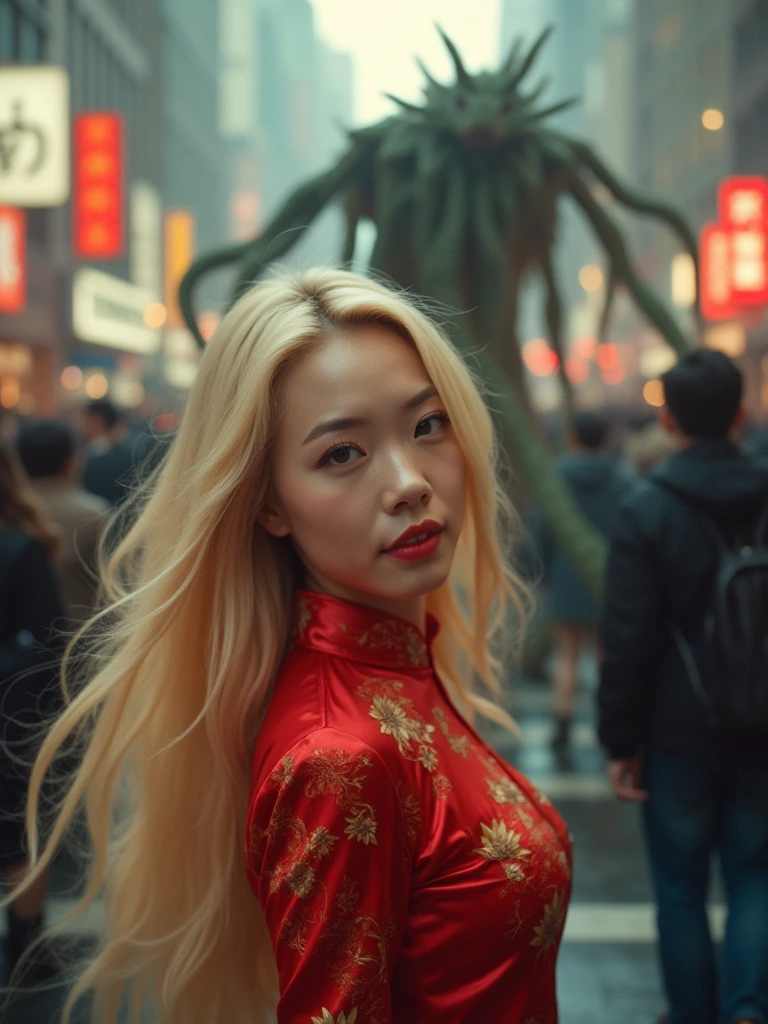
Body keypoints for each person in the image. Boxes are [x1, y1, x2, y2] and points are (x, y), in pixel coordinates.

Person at [0, 269, 573, 1023]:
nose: (408, 482)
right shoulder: (341, 758)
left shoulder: (397, 670)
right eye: (343, 454)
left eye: (427, 424)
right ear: (268, 502)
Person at [598, 348, 768, 1024]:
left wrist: (619, 739)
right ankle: (749, 1008)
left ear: (667, 420)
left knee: (680, 888)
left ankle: (693, 1015)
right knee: (756, 876)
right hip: (763, 725)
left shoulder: (645, 509)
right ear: (741, 413)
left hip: (676, 732)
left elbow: (629, 638)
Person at [530, 410, 634, 749]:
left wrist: (542, 572)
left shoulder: (556, 477)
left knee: (567, 657)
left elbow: (541, 530)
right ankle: (609, 724)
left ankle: (563, 723)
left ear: (574, 437)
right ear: (605, 437)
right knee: (606, 659)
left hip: (565, 579)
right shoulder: (624, 479)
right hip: (610, 580)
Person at [0, 441, 64, 987]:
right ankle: (27, 946)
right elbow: (49, 643)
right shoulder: (21, 547)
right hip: (12, 717)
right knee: (21, 832)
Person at [17, 421, 110, 628]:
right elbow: (112, 587)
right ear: (71, 462)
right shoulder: (93, 514)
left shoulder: (10, 512)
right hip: (79, 637)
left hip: (17, 644)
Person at [80, 399, 137, 507]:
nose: (81, 425)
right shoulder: (126, 455)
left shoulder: (92, 455)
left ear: (97, 420)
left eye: (85, 420)